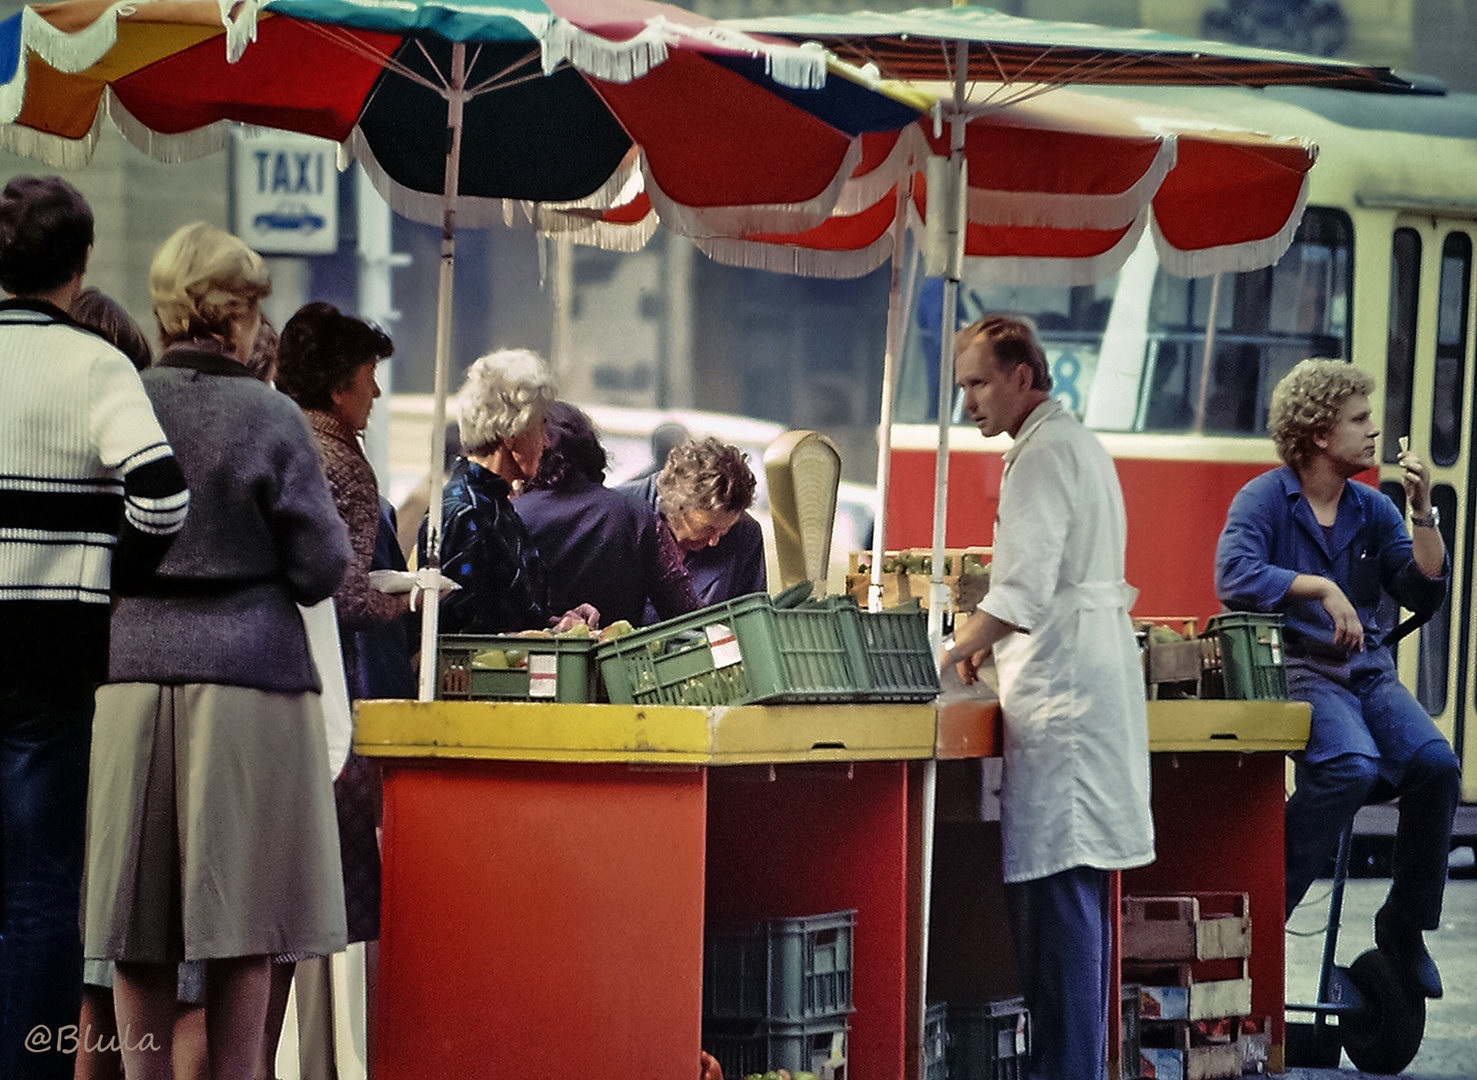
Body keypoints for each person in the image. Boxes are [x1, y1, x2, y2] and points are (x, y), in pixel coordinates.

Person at [82, 221, 351, 1080]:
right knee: (246, 922)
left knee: (135, 919)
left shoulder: (124, 399)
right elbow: (321, 567)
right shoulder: (271, 418)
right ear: (237, 318)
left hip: (127, 677)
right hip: (250, 683)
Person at [0, 176, 189, 1080]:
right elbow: (162, 496)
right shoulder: (96, 366)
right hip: (53, 652)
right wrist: (104, 573)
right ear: (79, 267)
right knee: (42, 886)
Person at [941, 315, 1154, 1080]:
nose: (967, 400)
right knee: (1075, 898)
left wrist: (958, 644)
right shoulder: (1074, 444)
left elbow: (1021, 589)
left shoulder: (1037, 458)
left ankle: (1067, 1071)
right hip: (1084, 678)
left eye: (977, 382)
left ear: (1022, 377)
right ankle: (1075, 1066)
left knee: (1058, 904)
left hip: (1066, 691)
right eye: (962, 384)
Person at [1214, 357, 1459, 1000]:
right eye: (1360, 419)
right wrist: (1320, 586)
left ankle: (1403, 930)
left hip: (1367, 675)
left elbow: (1424, 587)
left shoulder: (1374, 508)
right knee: (1349, 766)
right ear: (1320, 433)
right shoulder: (1264, 499)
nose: (1373, 430)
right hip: (1297, 668)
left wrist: (1423, 510)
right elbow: (1233, 576)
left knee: (1437, 766)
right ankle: (1269, 909)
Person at [272, 301, 413, 1077]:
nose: (376, 397)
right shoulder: (341, 460)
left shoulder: (274, 437)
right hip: (329, 703)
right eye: (367, 380)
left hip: (257, 690)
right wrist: (414, 597)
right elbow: (350, 595)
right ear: (336, 386)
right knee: (333, 900)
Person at [422, 348, 598, 634]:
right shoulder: (466, 510)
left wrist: (559, 621)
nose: (546, 442)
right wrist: (546, 635)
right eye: (540, 426)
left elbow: (509, 612)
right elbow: (457, 633)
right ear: (511, 432)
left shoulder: (492, 503)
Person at [516, 402, 699, 627]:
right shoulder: (639, 516)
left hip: (522, 661)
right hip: (620, 658)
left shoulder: (511, 515)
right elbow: (685, 612)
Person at [620, 436, 766, 609]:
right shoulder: (622, 514)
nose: (714, 541)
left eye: (725, 529)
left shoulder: (745, 534)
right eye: (707, 528)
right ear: (676, 506)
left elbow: (751, 617)